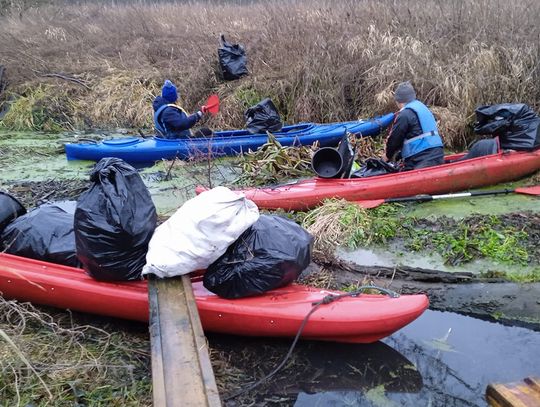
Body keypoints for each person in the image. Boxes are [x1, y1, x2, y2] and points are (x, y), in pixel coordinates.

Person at [384, 81, 444, 170]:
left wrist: (387, 156)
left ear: (398, 101)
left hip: (422, 158)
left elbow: (395, 139)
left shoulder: (404, 115)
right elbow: (416, 134)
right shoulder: (423, 108)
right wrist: (399, 155)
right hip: (438, 153)